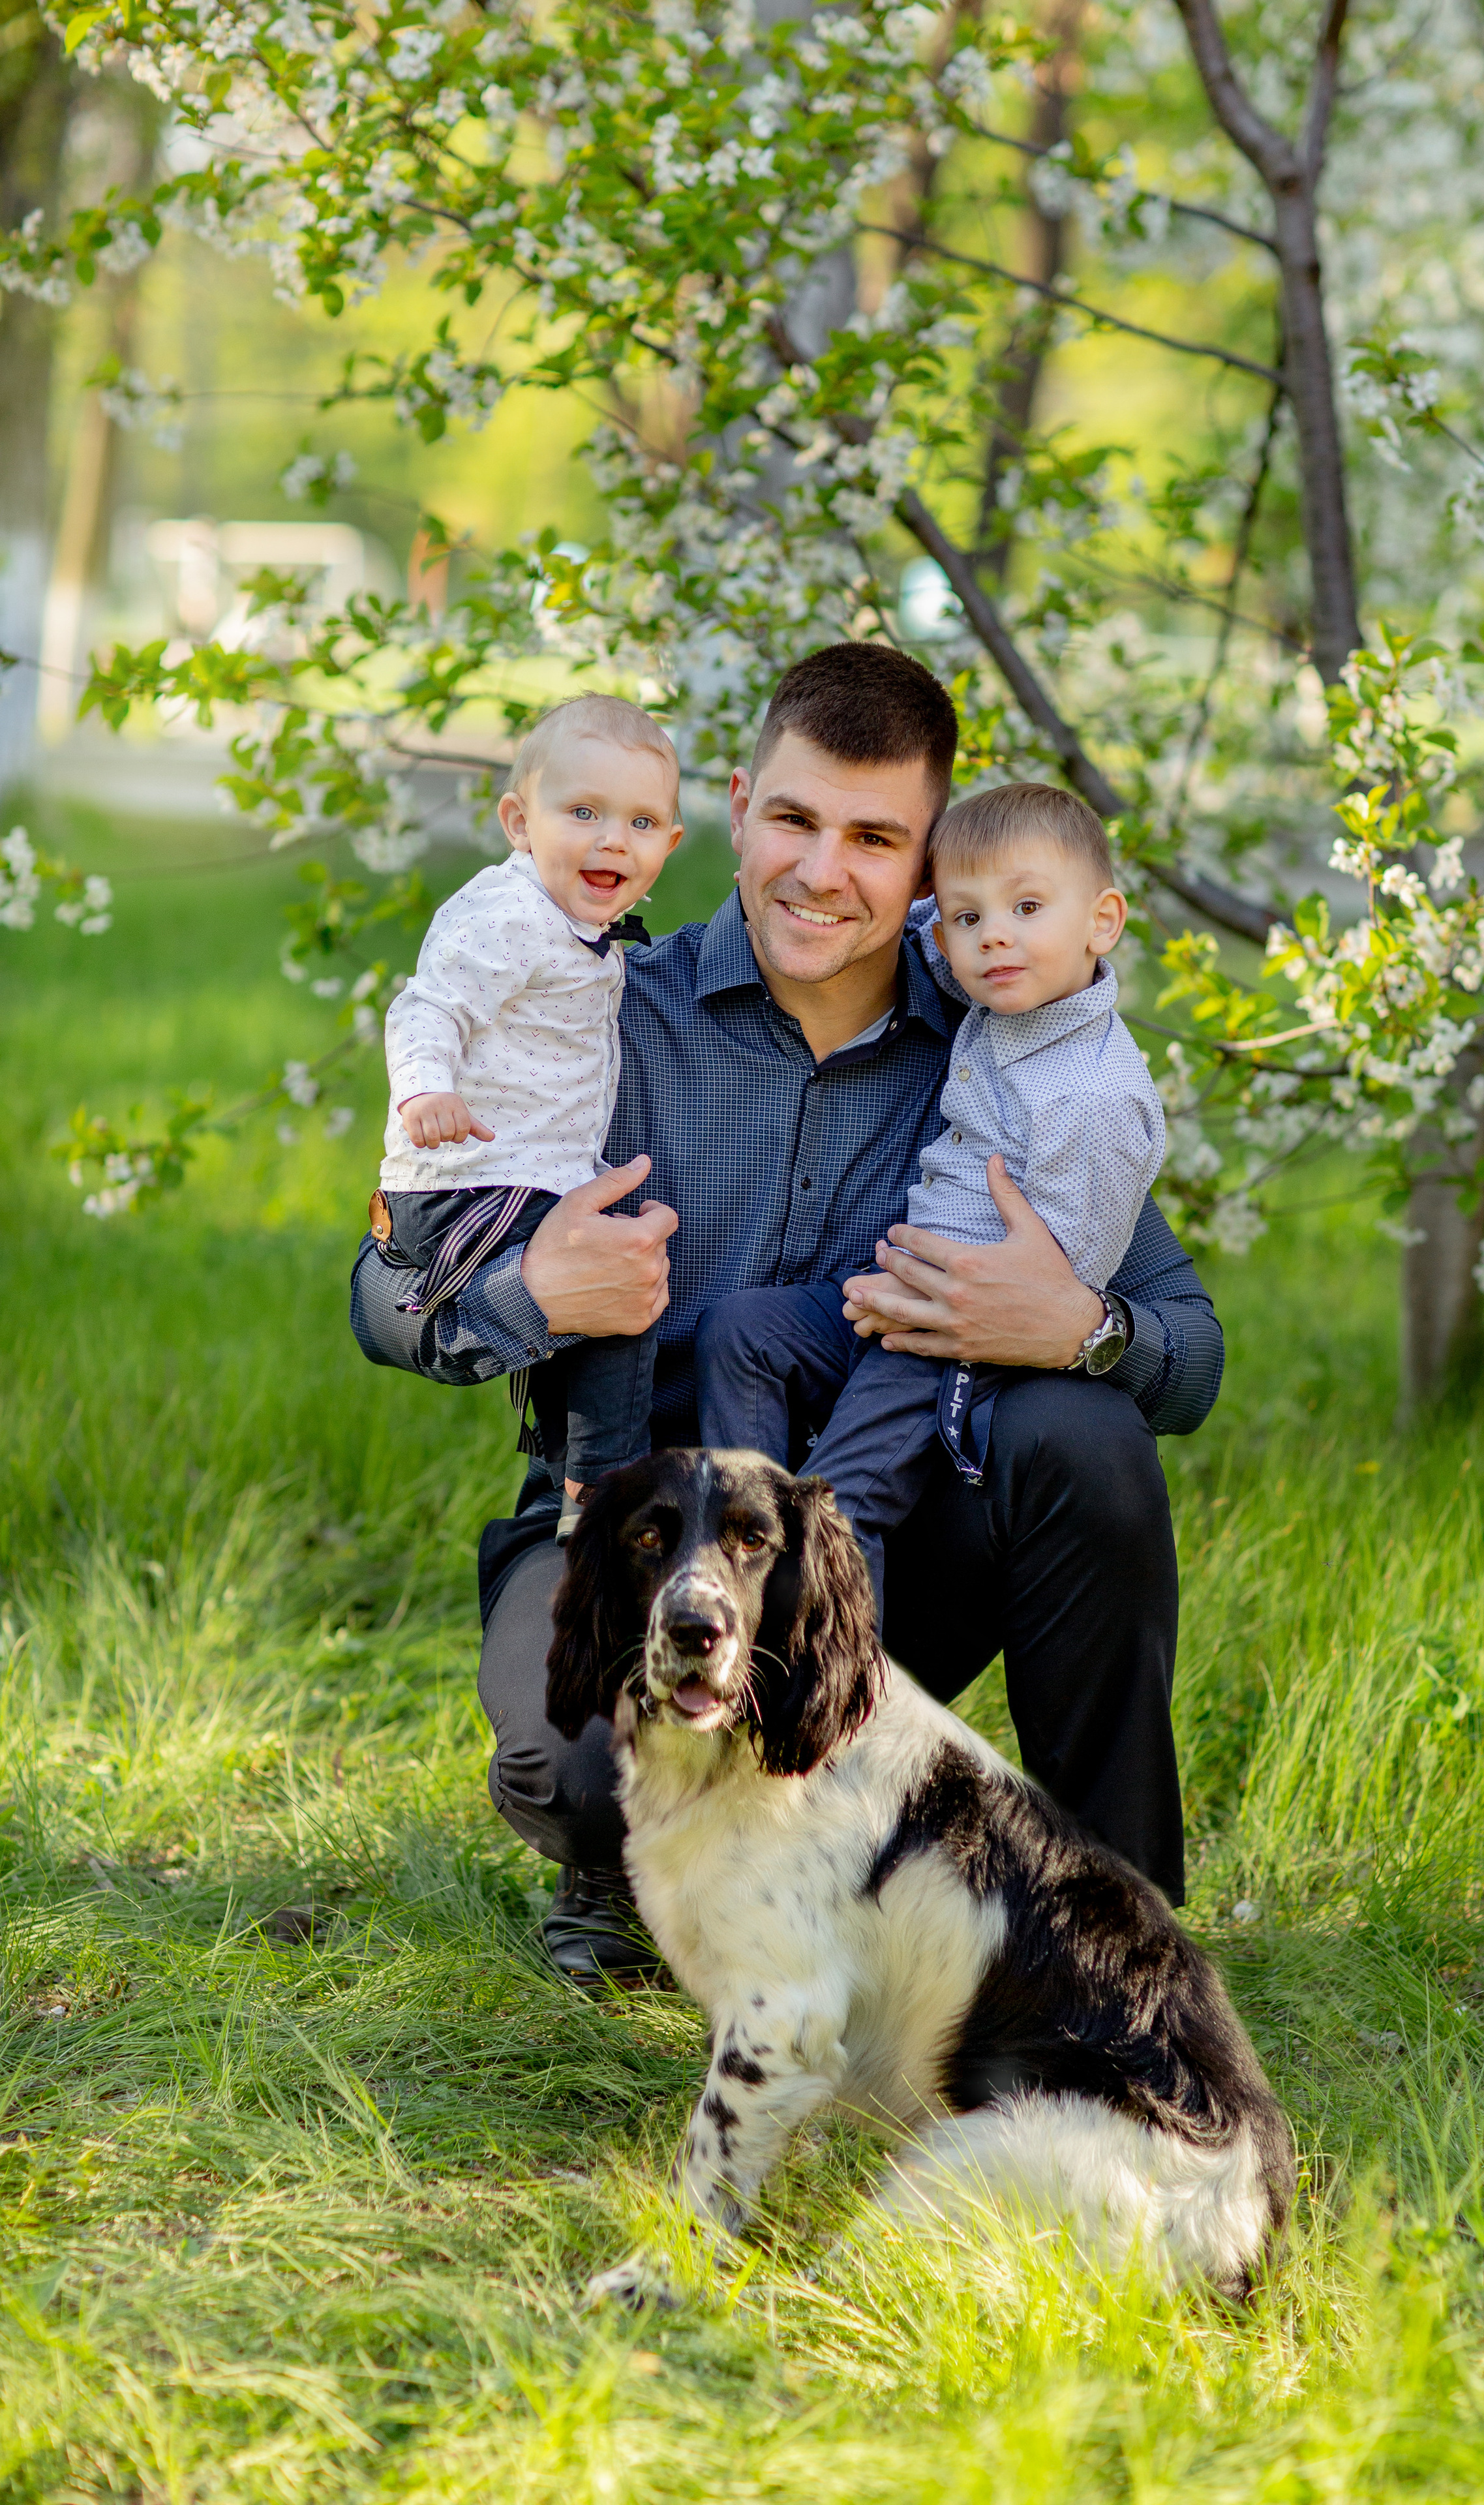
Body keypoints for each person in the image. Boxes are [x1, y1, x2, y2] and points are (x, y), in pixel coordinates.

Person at [350, 643, 1224, 1976]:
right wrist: (532, 1291)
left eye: (876, 838)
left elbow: (1189, 1351)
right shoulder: (601, 1010)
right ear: (740, 804)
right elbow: (383, 1291)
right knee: (573, 1762)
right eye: (795, 820)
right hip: (634, 1536)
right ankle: (635, 1871)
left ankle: (1115, 1932)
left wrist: (1079, 1331)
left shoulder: (999, 1047)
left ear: (932, 860)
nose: (823, 872)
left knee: (1083, 1434)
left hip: (881, 1548)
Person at [695, 780, 1165, 1602]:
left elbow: (1059, 1282)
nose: (997, 940)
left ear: (1103, 921)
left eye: (1027, 908)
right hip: (895, 1298)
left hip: (959, 1337)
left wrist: (932, 1311)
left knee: (838, 1512)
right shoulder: (1006, 996)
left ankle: (832, 1714)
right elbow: (917, 931)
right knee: (743, 1331)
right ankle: (742, 1549)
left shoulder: (1091, 1097)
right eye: (970, 919)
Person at [372, 694, 684, 1534]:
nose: (612, 839)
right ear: (519, 821)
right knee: (619, 1295)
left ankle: (580, 1481)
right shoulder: (509, 915)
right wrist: (425, 1089)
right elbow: (428, 1006)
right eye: (582, 812)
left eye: (641, 821)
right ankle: (597, 1503)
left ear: (671, 844)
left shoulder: (583, 928)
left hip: (512, 1178)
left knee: (597, 1314)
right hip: (477, 1180)